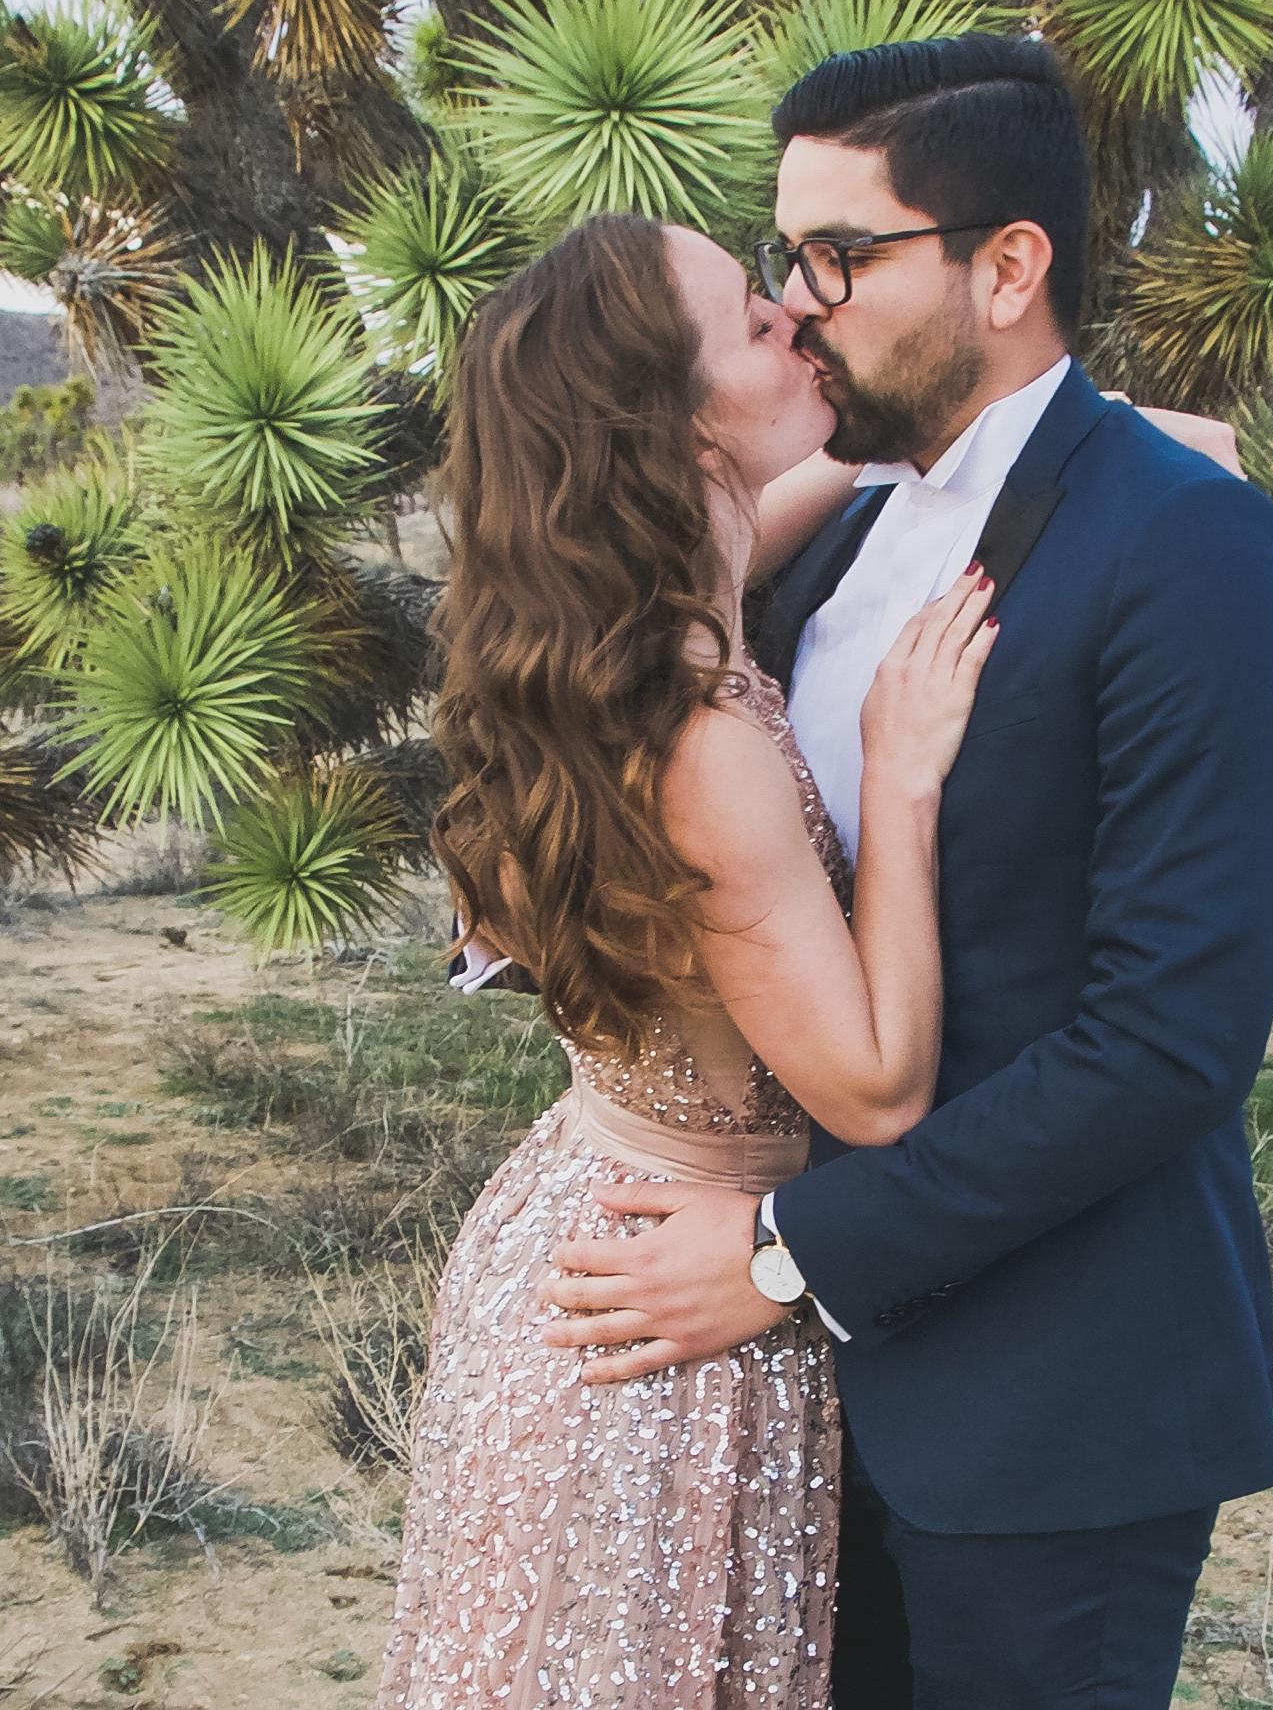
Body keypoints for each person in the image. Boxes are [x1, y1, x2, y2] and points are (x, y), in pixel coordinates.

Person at [537, 35, 1273, 1708]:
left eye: (843, 255)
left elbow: (1171, 1042)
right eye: (783, 259)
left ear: (1007, 266)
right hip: (796, 1416)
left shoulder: (1189, 545)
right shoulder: (838, 527)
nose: (799, 298)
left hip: (1052, 1405)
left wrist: (782, 1253)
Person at [376, 208, 1004, 1707]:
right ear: (666, 418)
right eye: (749, 320)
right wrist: (899, 777)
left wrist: (1056, 431)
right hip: (669, 1301)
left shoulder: (621, 613)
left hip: (578, 1221)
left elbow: (821, 480)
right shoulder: (700, 738)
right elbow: (869, 1091)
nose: (795, 318)